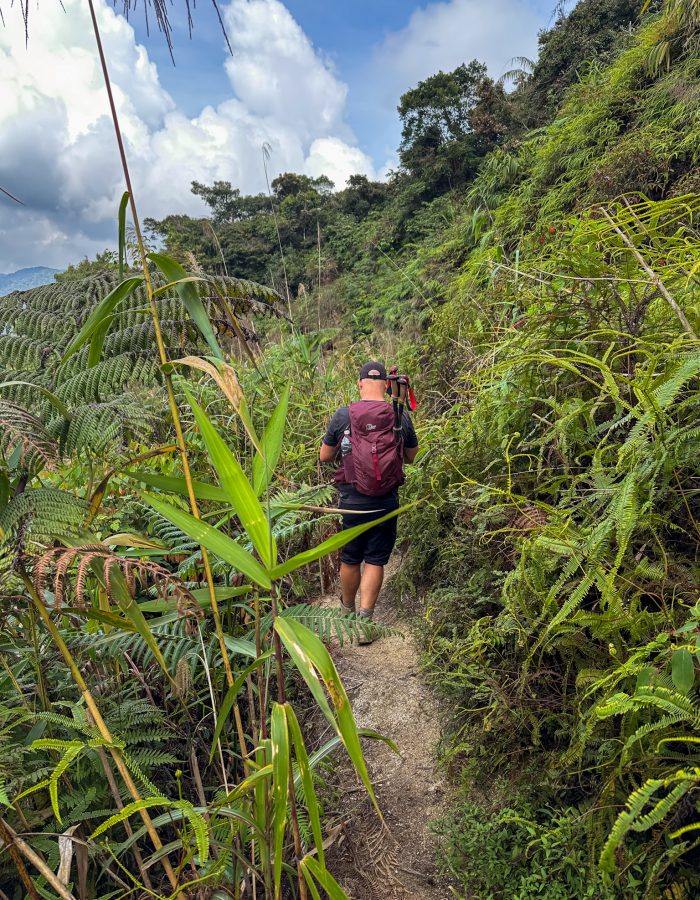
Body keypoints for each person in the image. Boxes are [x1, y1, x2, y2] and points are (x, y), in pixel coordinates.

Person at [320, 361, 418, 643]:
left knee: (351, 557)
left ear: (360, 383)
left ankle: (346, 614)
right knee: (375, 560)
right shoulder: (399, 415)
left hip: (351, 498)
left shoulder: (343, 415)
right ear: (387, 384)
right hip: (386, 499)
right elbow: (411, 456)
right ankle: (365, 623)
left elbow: (325, 456)